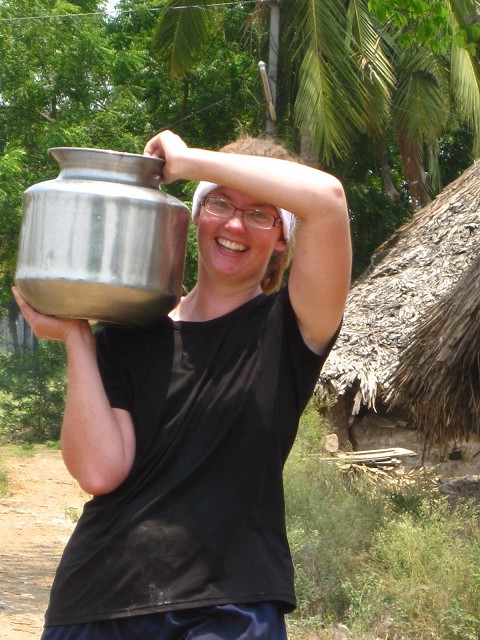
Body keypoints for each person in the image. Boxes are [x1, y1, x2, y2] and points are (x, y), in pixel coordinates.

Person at [12, 129, 351, 640]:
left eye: (261, 213)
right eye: (219, 204)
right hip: (97, 601)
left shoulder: (292, 328)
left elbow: (327, 200)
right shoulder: (129, 331)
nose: (234, 223)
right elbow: (100, 472)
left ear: (283, 237)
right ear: (195, 216)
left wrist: (190, 161)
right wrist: (77, 341)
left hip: (229, 610)